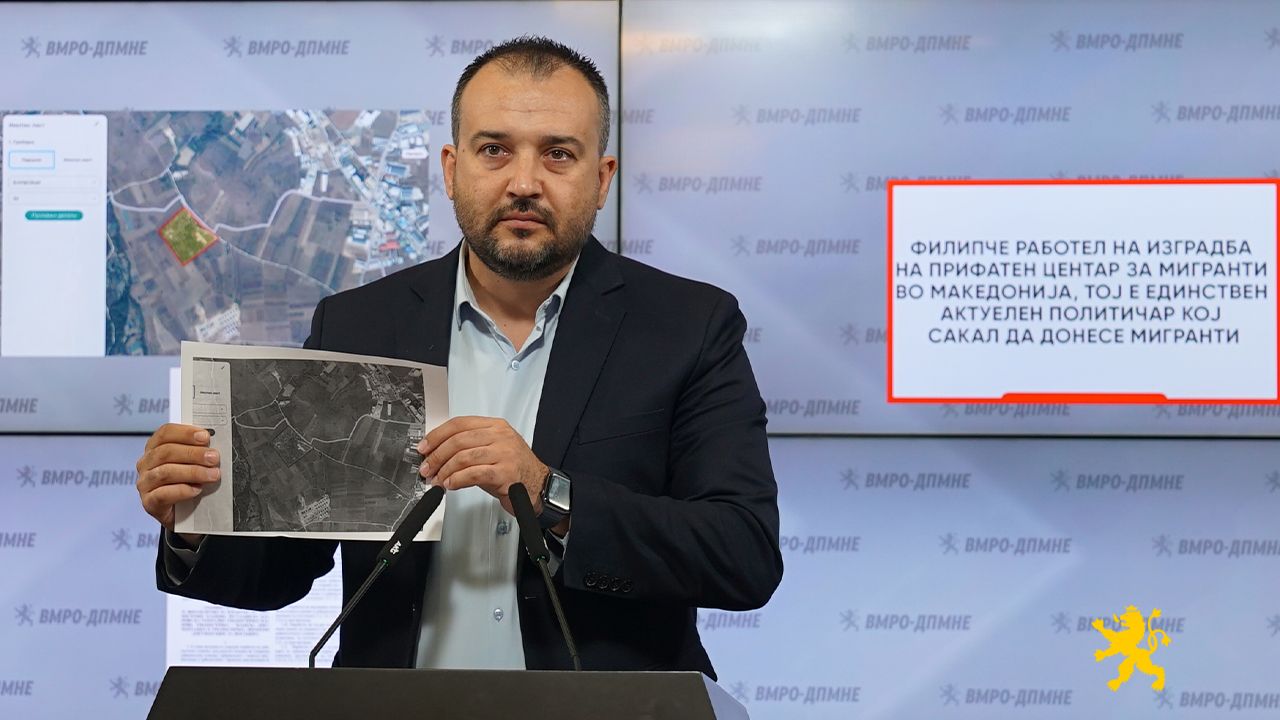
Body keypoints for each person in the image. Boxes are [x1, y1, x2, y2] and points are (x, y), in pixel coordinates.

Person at [135, 36, 782, 676]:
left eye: (558, 154)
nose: (523, 183)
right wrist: (194, 521)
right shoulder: (359, 325)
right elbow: (281, 569)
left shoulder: (688, 326)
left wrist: (549, 494)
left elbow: (743, 555)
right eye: (494, 150)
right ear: (450, 169)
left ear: (602, 178)